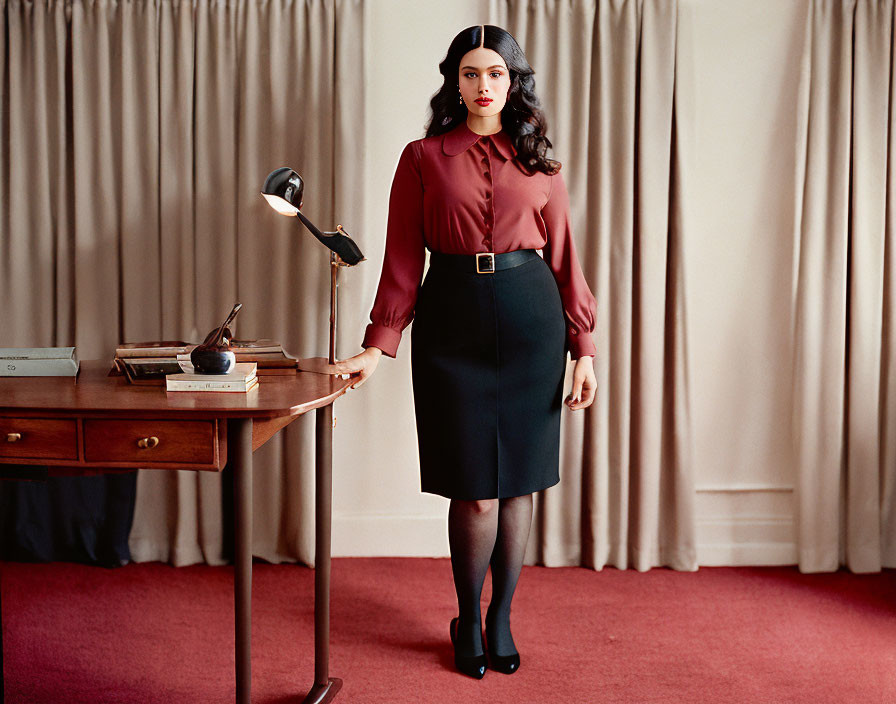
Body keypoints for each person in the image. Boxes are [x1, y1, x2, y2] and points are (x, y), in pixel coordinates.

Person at [331, 24, 597, 679]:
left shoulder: (541, 163)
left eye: (497, 74)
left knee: (519, 487)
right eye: (472, 73)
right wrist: (377, 345)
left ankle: (501, 616)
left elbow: (565, 260)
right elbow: (399, 258)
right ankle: (465, 617)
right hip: (451, 322)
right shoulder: (422, 157)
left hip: (531, 320)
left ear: (514, 82)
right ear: (456, 79)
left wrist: (583, 346)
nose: (484, 86)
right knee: (474, 491)